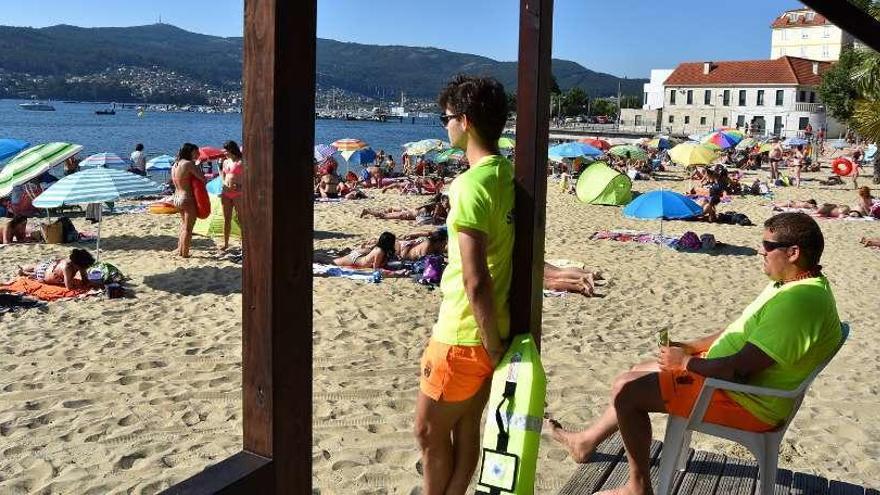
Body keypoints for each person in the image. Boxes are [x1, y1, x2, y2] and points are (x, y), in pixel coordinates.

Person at [547, 212, 841, 495]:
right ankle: (585, 442)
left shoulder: (799, 301)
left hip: (745, 400)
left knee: (628, 392)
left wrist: (686, 363)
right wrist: (691, 347)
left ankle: (638, 487)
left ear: (792, 253)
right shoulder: (791, 285)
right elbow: (740, 330)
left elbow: (738, 370)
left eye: (767, 246)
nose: (760, 252)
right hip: (735, 386)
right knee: (634, 373)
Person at [414, 75, 514, 495]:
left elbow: (475, 280)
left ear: (466, 121)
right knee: (467, 428)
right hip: (494, 329)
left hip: (463, 332)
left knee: (427, 433)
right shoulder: (505, 173)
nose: (445, 125)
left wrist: (490, 343)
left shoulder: (470, 184)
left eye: (446, 118)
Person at [171, 143, 205, 258]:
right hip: (187, 198)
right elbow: (202, 178)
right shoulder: (189, 164)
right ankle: (185, 253)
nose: (199, 154)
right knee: (188, 228)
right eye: (196, 152)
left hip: (176, 198)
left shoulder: (175, 164)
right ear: (190, 152)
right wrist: (197, 166)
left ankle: (180, 250)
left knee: (184, 225)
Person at [331, 232, 407, 276]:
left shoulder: (382, 249)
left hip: (360, 256)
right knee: (332, 262)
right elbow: (376, 269)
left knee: (332, 261)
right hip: (355, 260)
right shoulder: (380, 251)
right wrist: (394, 273)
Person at [18, 248, 97, 289]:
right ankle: (23, 271)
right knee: (36, 270)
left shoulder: (76, 264)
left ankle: (24, 270)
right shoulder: (67, 268)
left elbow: (84, 280)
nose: (85, 268)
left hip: (51, 267)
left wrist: (87, 280)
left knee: (36, 267)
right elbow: (68, 287)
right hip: (44, 274)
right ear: (77, 264)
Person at [219, 140, 245, 251]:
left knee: (241, 219)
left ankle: (244, 242)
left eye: (225, 150)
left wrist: (241, 186)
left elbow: (250, 177)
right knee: (227, 219)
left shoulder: (242, 161)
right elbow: (224, 176)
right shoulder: (225, 162)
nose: (224, 152)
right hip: (226, 193)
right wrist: (223, 184)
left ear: (231, 150)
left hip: (238, 193)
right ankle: (225, 243)